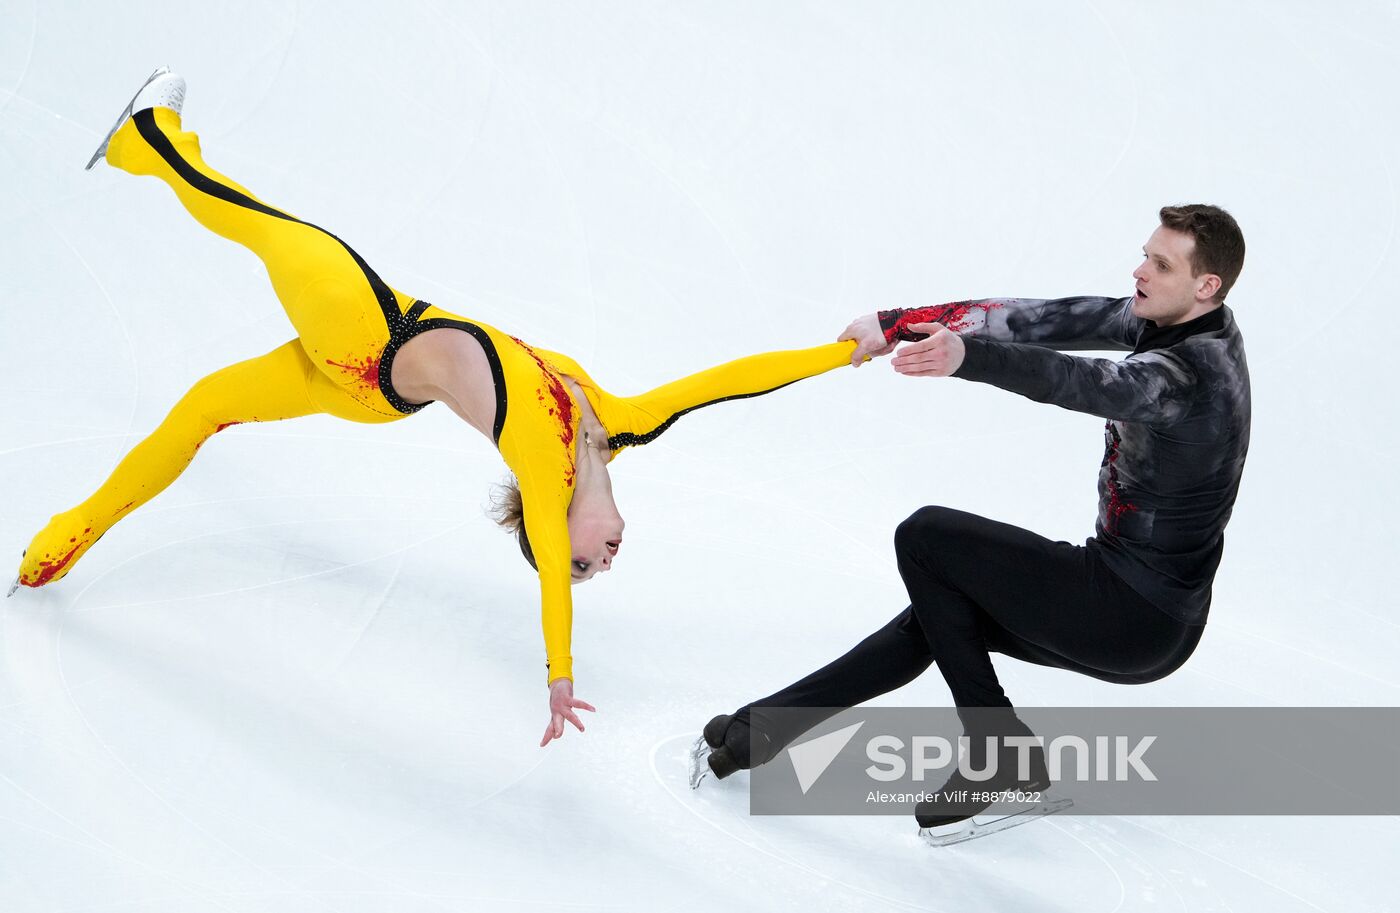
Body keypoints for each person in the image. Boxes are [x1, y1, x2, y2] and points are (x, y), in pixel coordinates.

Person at [9, 68, 860, 748]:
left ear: (549, 523)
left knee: (260, 223)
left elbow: (551, 603)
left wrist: (560, 672)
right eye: (594, 569)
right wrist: (843, 351)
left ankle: (148, 137)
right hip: (373, 384)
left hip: (361, 336)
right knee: (201, 408)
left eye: (580, 566)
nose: (603, 562)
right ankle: (59, 544)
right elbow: (727, 382)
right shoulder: (620, 423)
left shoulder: (546, 462)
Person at [698, 204, 1250, 830]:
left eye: (1160, 264)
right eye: (1145, 255)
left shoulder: (1191, 375)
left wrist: (969, 359)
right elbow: (1035, 319)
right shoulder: (1175, 318)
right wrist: (897, 324)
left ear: (1207, 286)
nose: (1139, 271)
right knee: (939, 612)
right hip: (1139, 608)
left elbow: (1080, 380)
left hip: (1132, 614)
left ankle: (998, 749)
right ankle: (764, 729)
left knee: (927, 536)